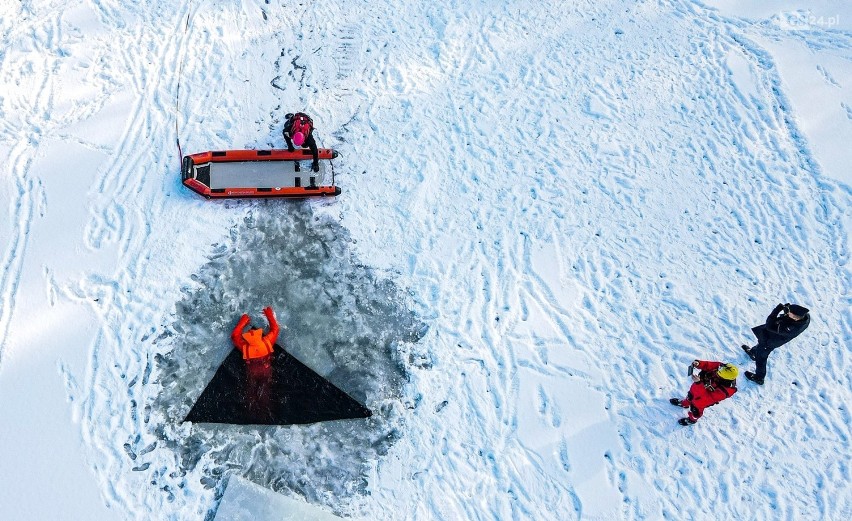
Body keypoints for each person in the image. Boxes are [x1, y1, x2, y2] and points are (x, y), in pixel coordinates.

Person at [741, 303, 810, 385]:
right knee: (760, 346)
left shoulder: (789, 329)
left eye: (789, 313)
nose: (787, 313)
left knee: (761, 358)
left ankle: (759, 377)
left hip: (770, 341)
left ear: (795, 318)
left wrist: (777, 310)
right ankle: (753, 353)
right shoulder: (805, 317)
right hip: (771, 337)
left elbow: (769, 325)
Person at [231, 307, 280, 420]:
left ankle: (250, 413)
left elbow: (234, 336)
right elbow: (275, 329)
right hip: (266, 370)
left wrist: (242, 322)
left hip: (252, 372)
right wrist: (269, 315)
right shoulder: (267, 342)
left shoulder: (245, 348)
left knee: (250, 390)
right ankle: (265, 413)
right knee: (265, 390)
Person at [670, 360, 738, 425]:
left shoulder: (725, 391)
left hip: (701, 401)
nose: (718, 369)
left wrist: (698, 383)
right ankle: (685, 404)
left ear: (724, 377)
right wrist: (699, 364)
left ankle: (692, 420)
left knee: (695, 411)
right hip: (697, 387)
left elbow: (706, 397)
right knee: (690, 396)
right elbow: (709, 365)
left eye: (719, 372)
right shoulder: (723, 368)